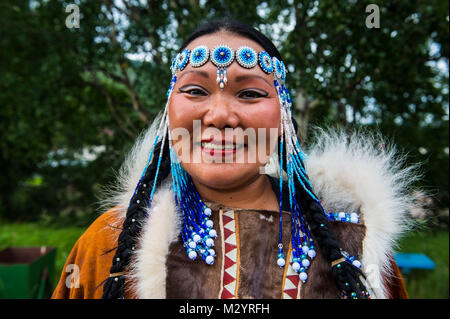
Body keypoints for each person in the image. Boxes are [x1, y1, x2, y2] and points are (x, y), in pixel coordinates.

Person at [52, 18, 414, 299]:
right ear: (168, 113)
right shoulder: (109, 244)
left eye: (250, 93)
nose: (220, 115)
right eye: (195, 90)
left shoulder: (355, 246)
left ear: (283, 117)